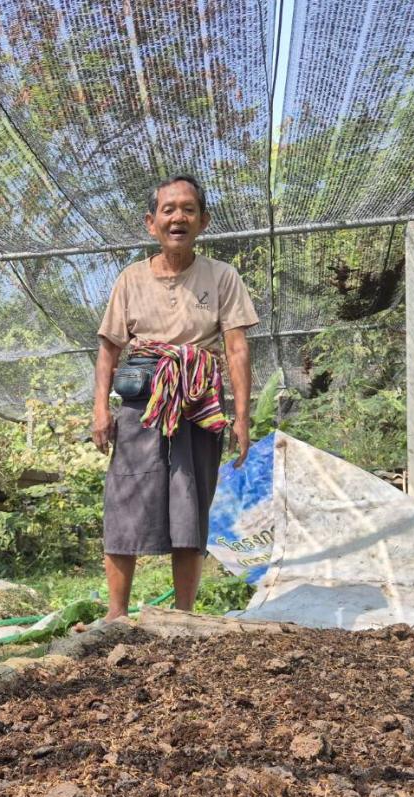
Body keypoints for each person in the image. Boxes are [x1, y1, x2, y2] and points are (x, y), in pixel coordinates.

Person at [92, 175, 258, 621]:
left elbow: (236, 347)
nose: (178, 217)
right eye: (168, 210)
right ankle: (115, 614)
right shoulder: (130, 279)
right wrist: (100, 408)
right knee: (125, 495)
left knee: (191, 498)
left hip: (198, 404)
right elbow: (109, 347)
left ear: (203, 220)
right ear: (151, 223)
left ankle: (183, 613)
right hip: (140, 403)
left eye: (188, 209)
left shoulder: (222, 277)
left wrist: (240, 416)